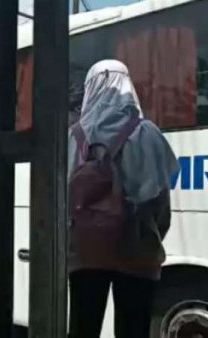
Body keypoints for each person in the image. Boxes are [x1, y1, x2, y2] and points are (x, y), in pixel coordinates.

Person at [67, 60, 179, 338]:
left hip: (85, 251)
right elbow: (161, 204)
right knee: (134, 326)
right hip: (137, 249)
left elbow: (62, 199)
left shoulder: (72, 136)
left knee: (83, 325)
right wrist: (150, 237)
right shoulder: (148, 133)